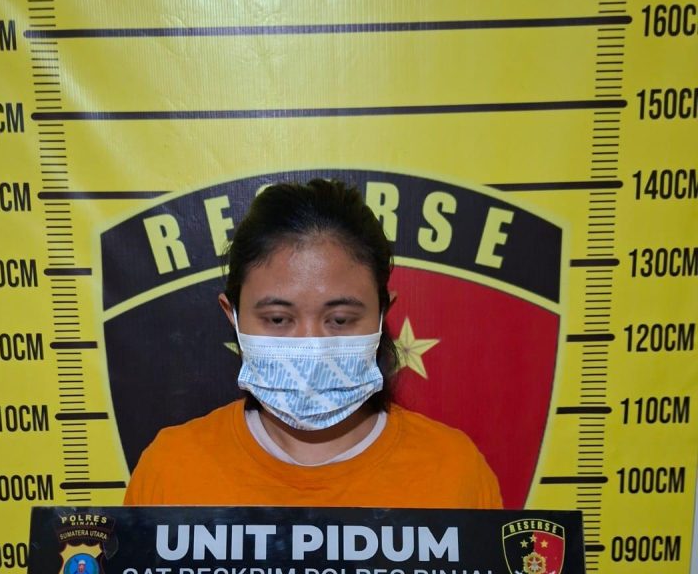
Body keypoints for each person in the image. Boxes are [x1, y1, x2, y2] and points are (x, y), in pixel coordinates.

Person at [124, 179, 501, 508]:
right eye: (277, 319)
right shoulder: (172, 469)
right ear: (232, 315)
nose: (312, 345)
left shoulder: (454, 472)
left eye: (340, 319)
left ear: (382, 313)